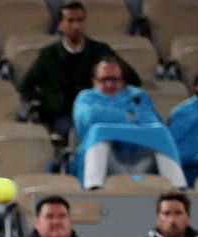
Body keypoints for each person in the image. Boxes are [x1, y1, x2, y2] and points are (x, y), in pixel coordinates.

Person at [19, 2, 141, 138]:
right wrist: (45, 104)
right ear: (60, 24)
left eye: (80, 20)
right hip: (63, 115)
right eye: (70, 21)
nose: (76, 26)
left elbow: (132, 78)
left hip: (98, 110)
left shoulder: (100, 50)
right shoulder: (48, 55)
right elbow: (26, 87)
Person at [72, 59, 186, 190]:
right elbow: (88, 117)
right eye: (104, 80)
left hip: (140, 158)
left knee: (161, 132)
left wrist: (109, 121)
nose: (109, 84)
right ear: (94, 81)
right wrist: (128, 116)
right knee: (98, 132)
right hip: (109, 160)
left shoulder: (137, 95)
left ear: (123, 81)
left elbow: (151, 120)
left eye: (114, 79)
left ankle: (178, 188)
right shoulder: (86, 97)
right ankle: (94, 187)